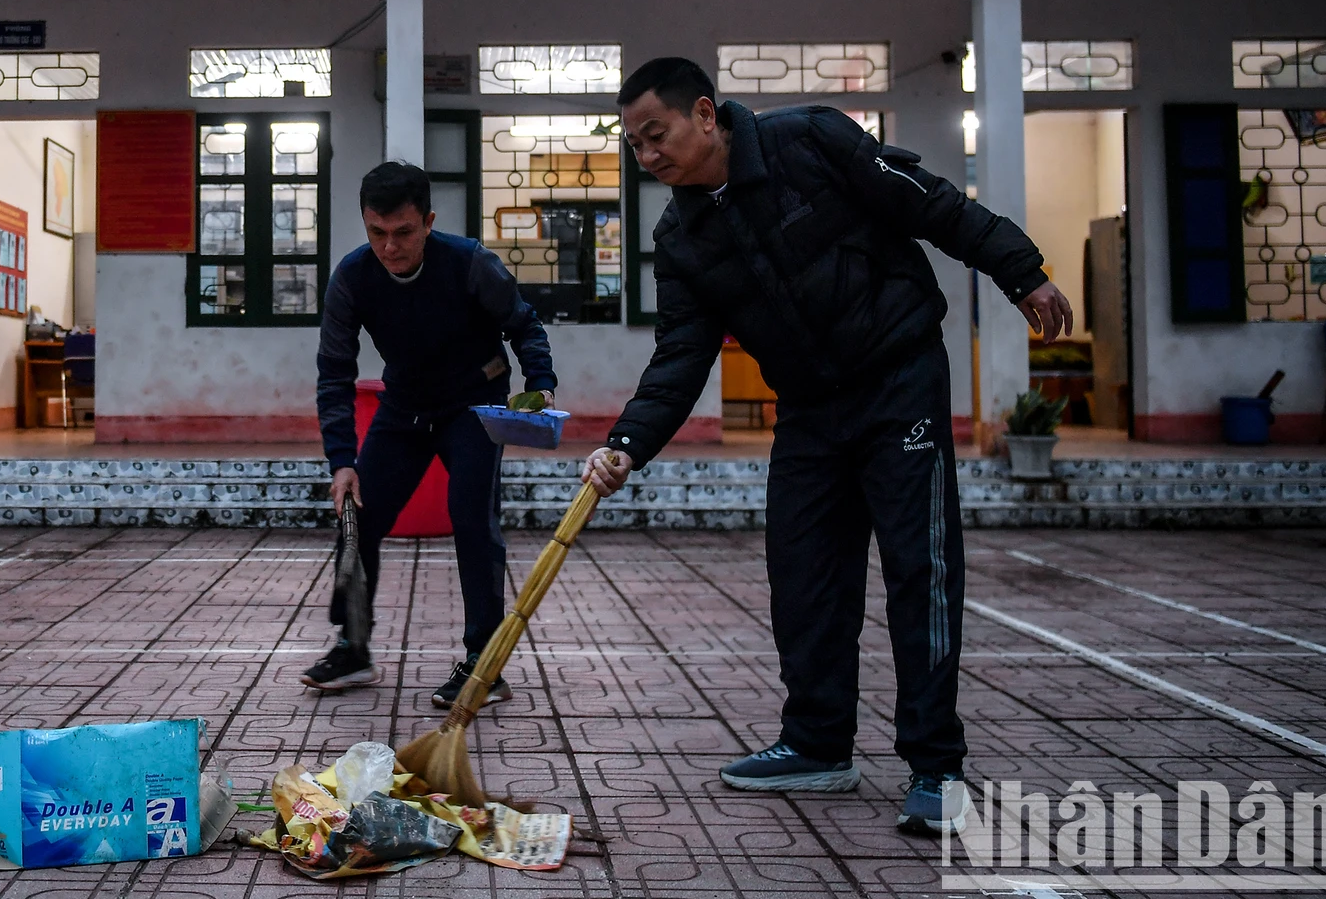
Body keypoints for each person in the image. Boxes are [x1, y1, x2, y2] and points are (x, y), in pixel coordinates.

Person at [577, 57, 1070, 837]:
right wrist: (627, 444)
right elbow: (681, 355)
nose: (647, 158)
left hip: (899, 377)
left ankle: (937, 767)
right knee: (803, 572)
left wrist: (1021, 272)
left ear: (704, 114)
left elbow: (933, 206)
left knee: (921, 567)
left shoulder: (811, 141)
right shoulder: (682, 235)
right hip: (808, 409)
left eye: (655, 135)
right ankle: (816, 742)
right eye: (633, 146)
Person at [304, 162, 559, 708]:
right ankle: (353, 647)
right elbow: (334, 371)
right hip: (404, 408)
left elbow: (524, 324)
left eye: (403, 233)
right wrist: (341, 461)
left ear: (428, 222)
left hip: (475, 405)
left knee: (473, 524)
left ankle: (484, 664)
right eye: (377, 233)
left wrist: (540, 384)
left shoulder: (470, 263)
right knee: (358, 517)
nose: (390, 247)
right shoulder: (352, 278)